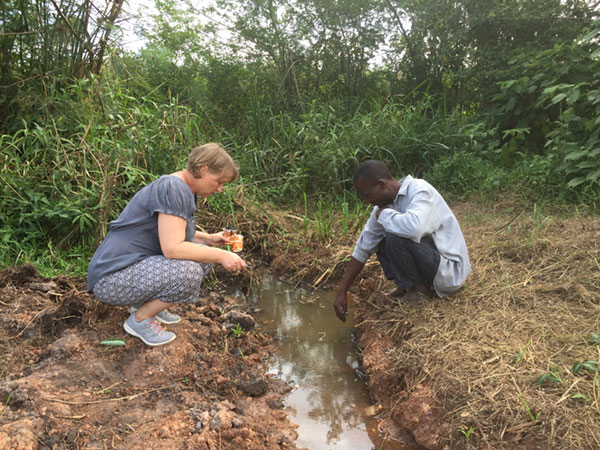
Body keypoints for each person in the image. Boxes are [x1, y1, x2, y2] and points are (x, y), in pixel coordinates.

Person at [87, 143, 246, 345]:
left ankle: (145, 306)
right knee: (190, 271)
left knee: (203, 255)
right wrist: (222, 255)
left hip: (128, 269)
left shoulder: (181, 187)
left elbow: (172, 232)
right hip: (111, 279)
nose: (220, 189)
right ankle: (140, 319)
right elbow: (172, 248)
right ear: (203, 169)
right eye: (219, 181)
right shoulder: (174, 187)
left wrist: (209, 238)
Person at [334, 160, 471, 322]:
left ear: (381, 184)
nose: (367, 201)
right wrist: (342, 291)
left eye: (367, 195)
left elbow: (415, 228)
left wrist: (384, 216)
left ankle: (417, 290)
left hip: (449, 270)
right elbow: (364, 246)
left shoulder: (420, 190)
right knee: (380, 238)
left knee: (395, 232)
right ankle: (406, 286)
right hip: (430, 262)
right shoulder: (384, 206)